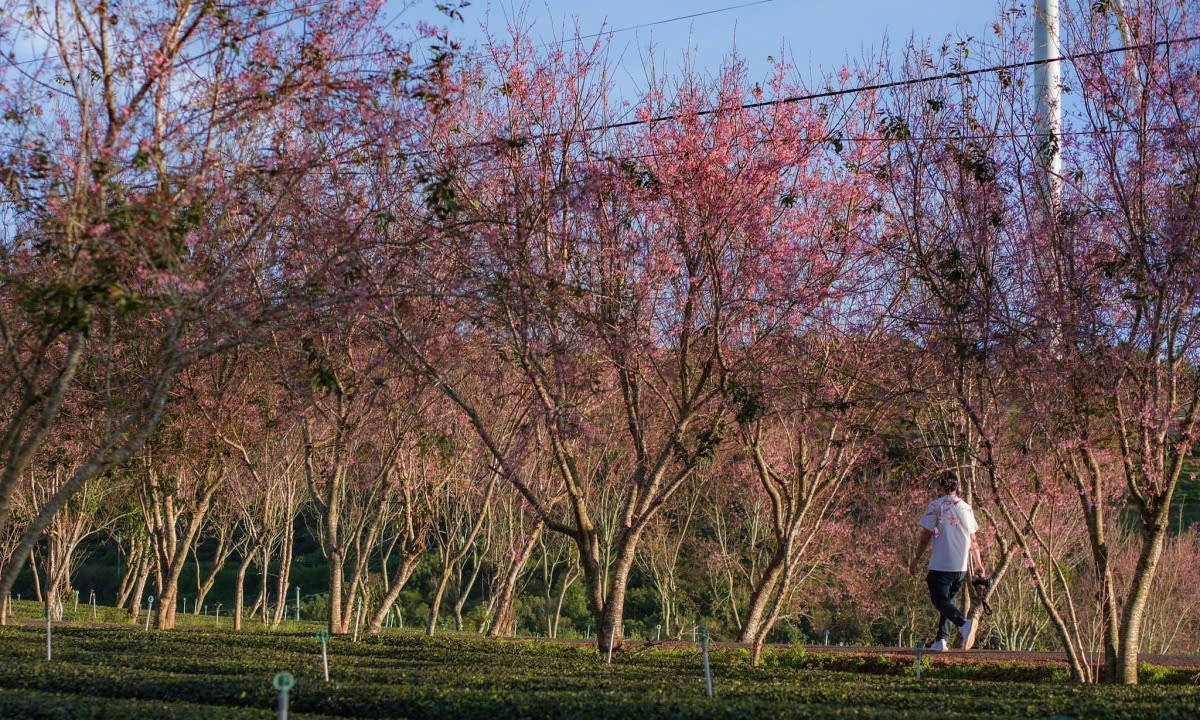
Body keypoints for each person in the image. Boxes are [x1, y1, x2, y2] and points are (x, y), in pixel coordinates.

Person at [908, 472, 987, 651]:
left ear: (941, 486)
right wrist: (978, 564)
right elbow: (973, 538)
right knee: (948, 602)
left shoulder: (936, 506)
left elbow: (925, 536)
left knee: (939, 600)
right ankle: (941, 640)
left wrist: (916, 559)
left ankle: (963, 624)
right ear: (957, 486)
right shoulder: (966, 508)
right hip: (961, 567)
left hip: (941, 564)